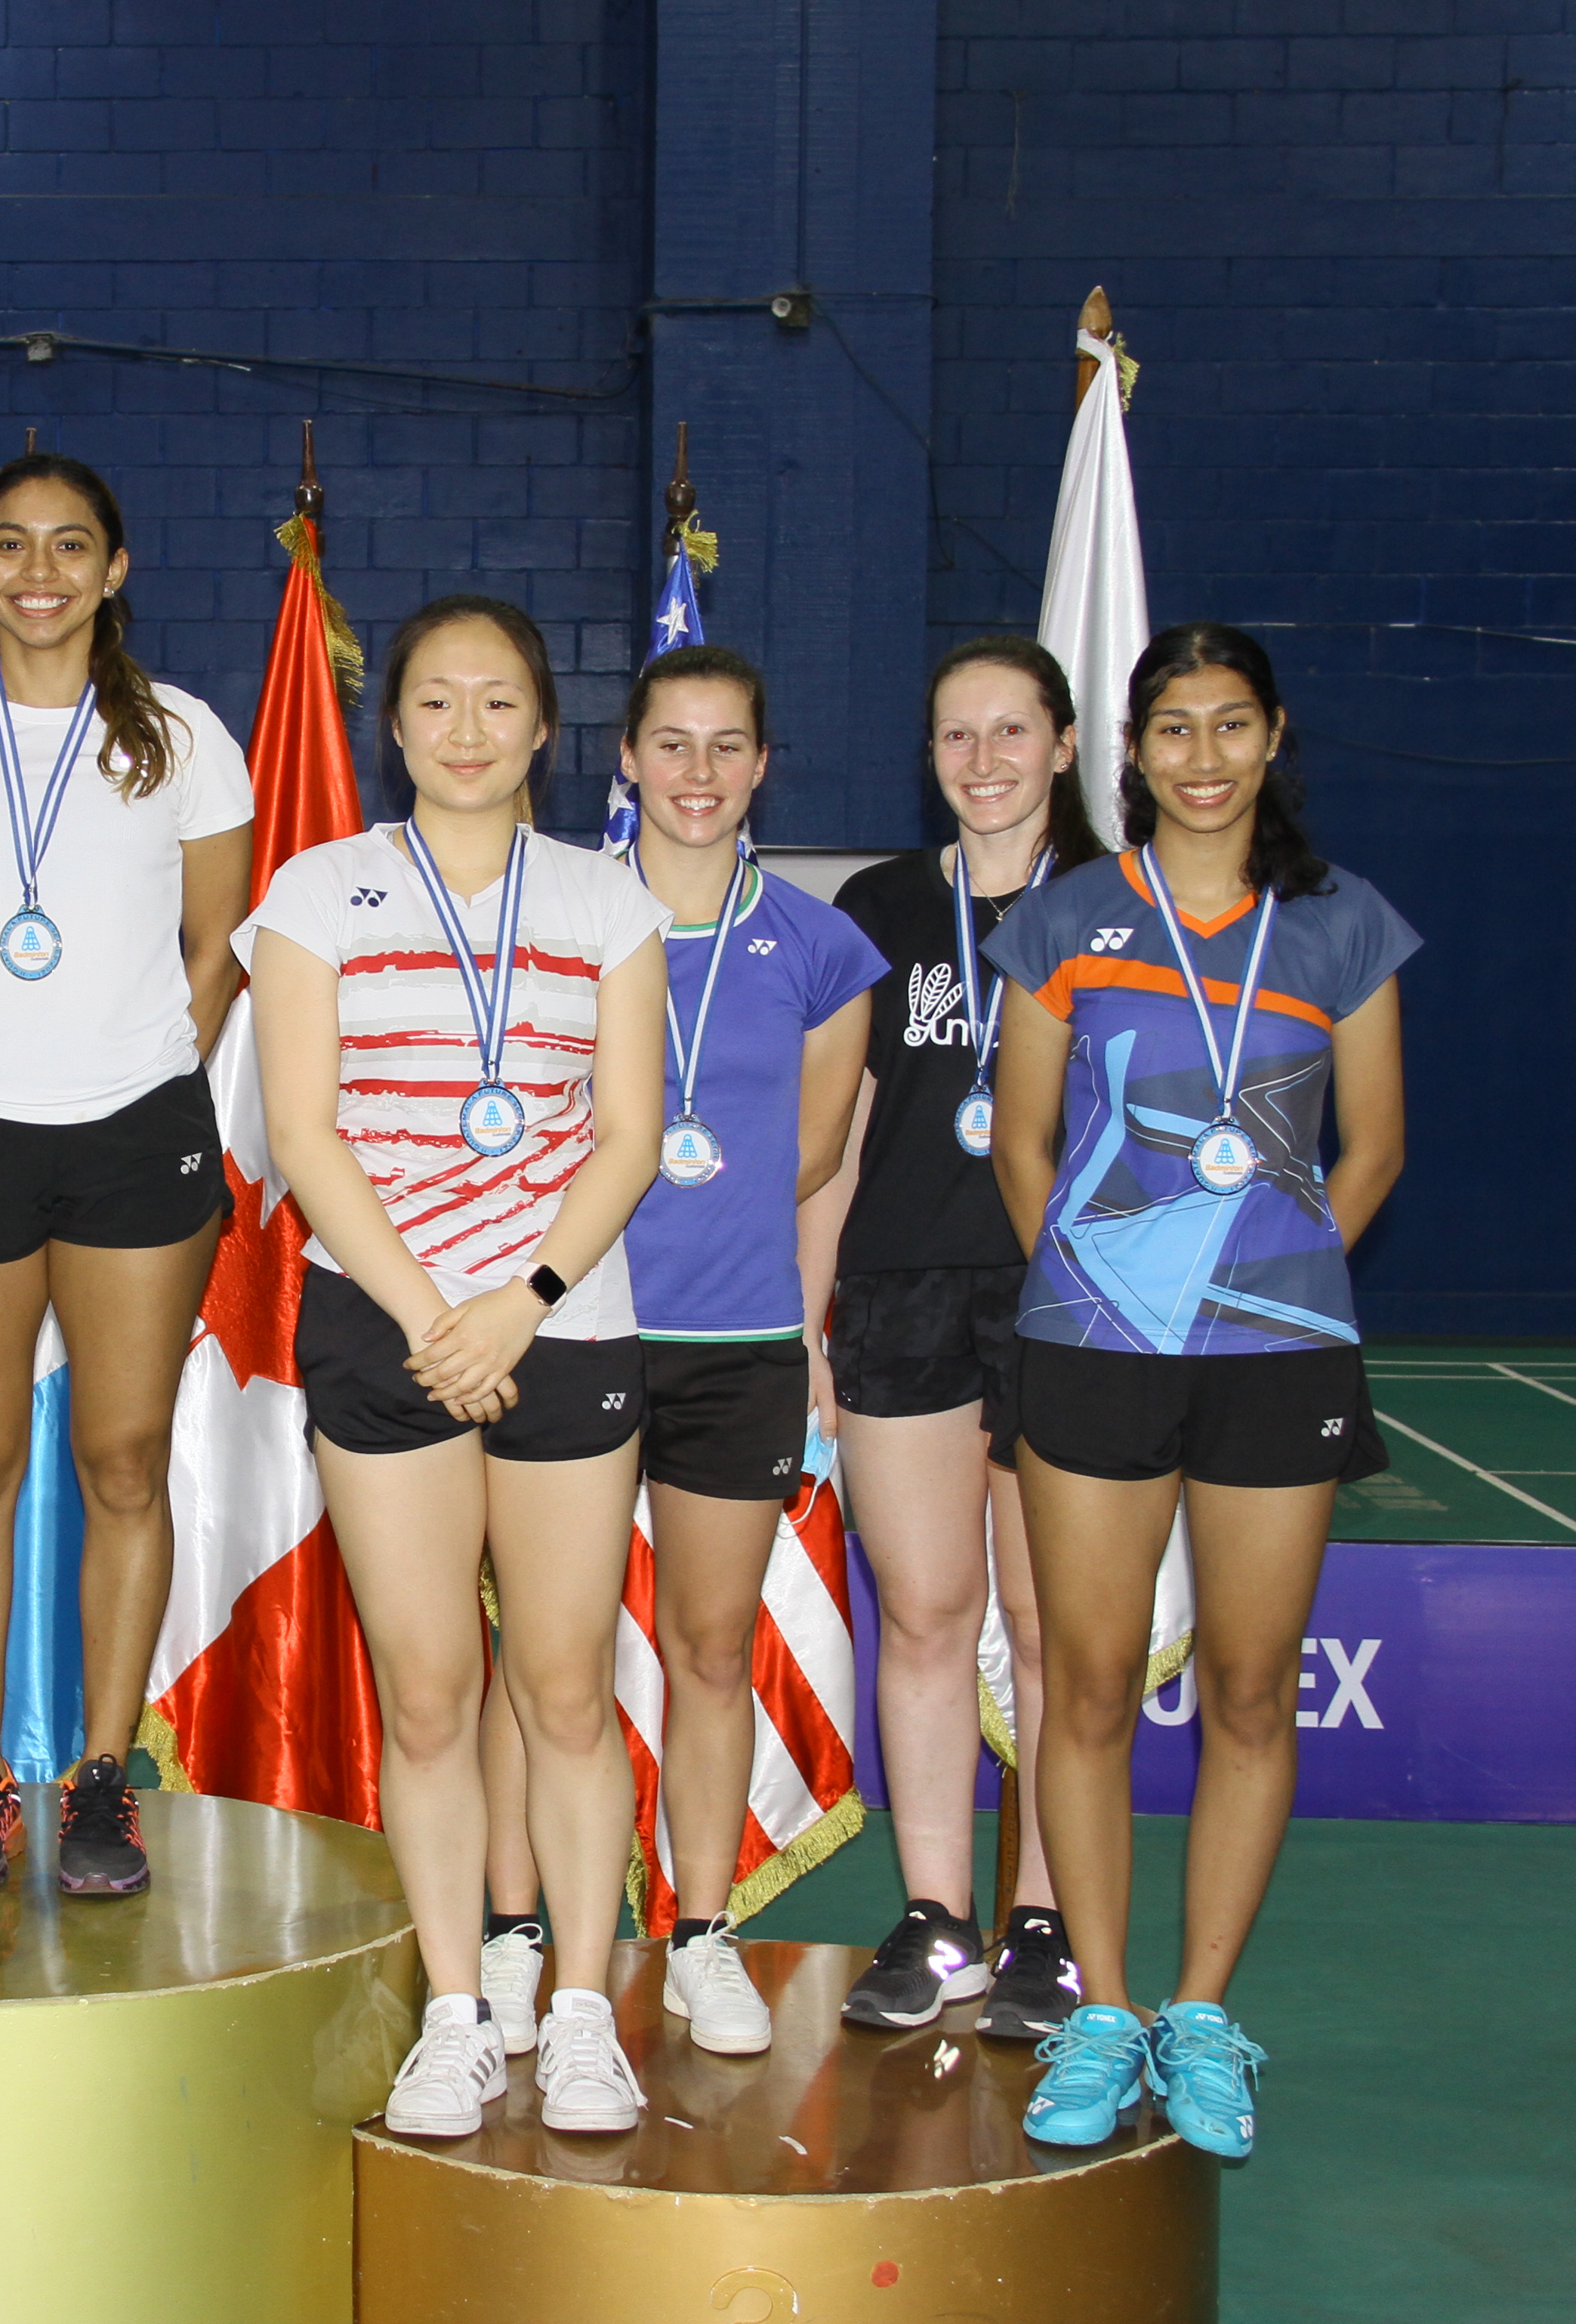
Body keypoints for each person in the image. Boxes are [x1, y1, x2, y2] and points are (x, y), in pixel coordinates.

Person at [982, 621, 1417, 2160]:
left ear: (1275, 739)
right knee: (1086, 1690)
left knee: (1246, 1685)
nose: (1204, 757)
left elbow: (1375, 1148)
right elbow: (1022, 1143)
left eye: (1232, 726)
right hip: (1092, 1349)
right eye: (1174, 728)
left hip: (1276, 1358)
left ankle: (1206, 2013)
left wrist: (1278, 1282)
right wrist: (1101, 1293)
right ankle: (1104, 2010)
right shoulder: (1070, 921)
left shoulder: (1342, 925)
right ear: (1135, 750)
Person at [242, 593, 666, 2139]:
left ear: (545, 728)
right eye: (436, 702)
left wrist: (525, 1299)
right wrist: (436, 1315)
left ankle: (576, 2013)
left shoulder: (605, 902)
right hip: (384, 1321)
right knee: (429, 1699)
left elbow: (627, 1134)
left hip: (565, 1322)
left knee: (563, 1690)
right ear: (396, 722)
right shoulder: (313, 892)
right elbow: (306, 1132)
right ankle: (454, 2009)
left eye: (500, 703)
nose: (468, 730)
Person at [0, 452, 257, 1897]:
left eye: (71, 544)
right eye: (11, 545)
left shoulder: (185, 737)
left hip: (138, 1134)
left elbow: (220, 945)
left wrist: (144, 1070)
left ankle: (100, 1778)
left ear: (115, 569)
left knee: (122, 1460)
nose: (40, 570)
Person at [472, 645, 880, 2060]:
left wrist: (813, 1335)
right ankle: (513, 1928)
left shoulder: (824, 950)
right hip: (578, 1327)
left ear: (763, 767)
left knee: (712, 1652)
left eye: (727, 748)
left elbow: (821, 1156)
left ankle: (703, 1929)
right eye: (671, 745)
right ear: (624, 762)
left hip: (741, 1343)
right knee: (545, 1655)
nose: (697, 774)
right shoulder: (562, 917)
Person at [816, 637, 1109, 2039]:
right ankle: (937, 1918)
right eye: (955, 736)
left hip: (1063, 1296)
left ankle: (1044, 1925)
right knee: (928, 1615)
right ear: (929, 756)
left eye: (1011, 732)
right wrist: (816, 1318)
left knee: (1048, 1631)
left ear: (1062, 745)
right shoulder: (876, 905)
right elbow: (843, 1133)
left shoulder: (1121, 907)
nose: (983, 761)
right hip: (900, 1287)